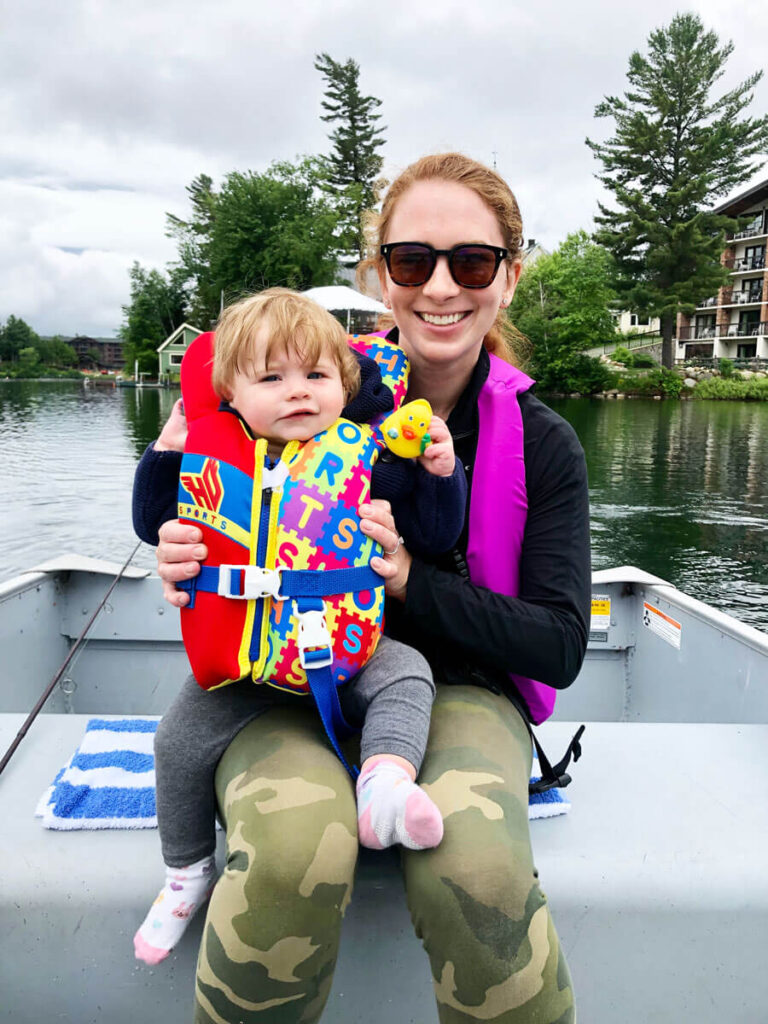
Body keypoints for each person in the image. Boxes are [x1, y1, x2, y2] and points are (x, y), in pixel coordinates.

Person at [151, 153, 590, 1023]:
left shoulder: (546, 444)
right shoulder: (295, 388)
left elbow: (558, 645)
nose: (440, 287)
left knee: (481, 871)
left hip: (458, 689)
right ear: (379, 274)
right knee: (285, 857)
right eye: (411, 260)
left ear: (508, 275)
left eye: (471, 262)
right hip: (277, 679)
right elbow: (190, 497)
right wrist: (183, 553)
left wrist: (406, 581)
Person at [131, 287, 467, 966]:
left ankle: (383, 786)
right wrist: (167, 448)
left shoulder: (369, 455)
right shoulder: (214, 452)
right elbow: (150, 520)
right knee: (173, 743)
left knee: (409, 673)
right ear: (231, 388)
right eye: (272, 378)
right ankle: (186, 871)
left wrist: (440, 472)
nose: (298, 394)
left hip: (351, 650)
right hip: (245, 671)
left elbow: (435, 534)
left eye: (316, 376)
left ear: (344, 385)